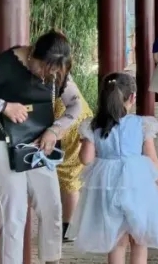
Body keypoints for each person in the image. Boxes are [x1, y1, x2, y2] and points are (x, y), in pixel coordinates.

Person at [0, 30, 83, 264]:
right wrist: (4, 106)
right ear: (33, 54)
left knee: (52, 206)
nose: (46, 76)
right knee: (15, 211)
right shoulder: (6, 64)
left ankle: (52, 260)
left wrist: (55, 130)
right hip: (1, 142)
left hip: (38, 144)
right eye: (43, 69)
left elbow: (76, 106)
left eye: (52, 73)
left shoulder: (55, 70)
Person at [67, 72, 158, 264]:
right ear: (132, 97)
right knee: (140, 239)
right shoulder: (141, 124)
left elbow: (86, 159)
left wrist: (86, 142)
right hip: (138, 183)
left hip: (107, 183)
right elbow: (152, 158)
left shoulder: (94, 126)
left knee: (116, 239)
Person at [54, 88, 94, 242]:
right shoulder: (64, 77)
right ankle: (69, 225)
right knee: (70, 175)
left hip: (65, 122)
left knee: (69, 176)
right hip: (78, 118)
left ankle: (69, 226)